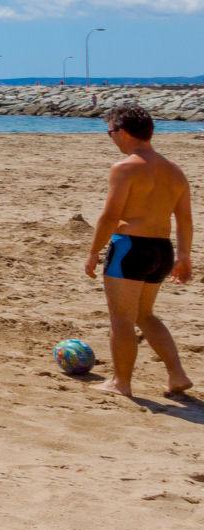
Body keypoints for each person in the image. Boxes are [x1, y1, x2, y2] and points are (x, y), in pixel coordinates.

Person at [84, 103, 193, 399]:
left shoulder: (125, 167)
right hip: (162, 250)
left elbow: (109, 215)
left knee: (121, 318)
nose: (112, 139)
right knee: (145, 314)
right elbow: (184, 218)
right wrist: (184, 256)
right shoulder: (174, 171)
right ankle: (177, 374)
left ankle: (121, 382)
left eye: (110, 133)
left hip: (130, 248)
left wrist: (94, 251)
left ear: (123, 132)